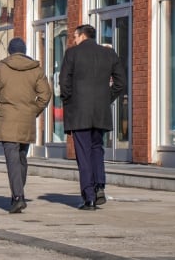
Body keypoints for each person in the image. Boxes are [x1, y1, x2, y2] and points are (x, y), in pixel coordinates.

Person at [0, 37, 52, 214]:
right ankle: (18, 194)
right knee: (21, 158)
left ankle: (18, 197)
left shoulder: (0, 67)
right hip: (26, 120)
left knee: (12, 159)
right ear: (25, 50)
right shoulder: (35, 69)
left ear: (10, 51)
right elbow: (46, 94)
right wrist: (34, 110)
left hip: (8, 119)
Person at [60, 24, 126, 210]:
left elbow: (64, 83)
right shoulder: (109, 54)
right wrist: (107, 97)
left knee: (83, 153)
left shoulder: (72, 54)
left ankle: (89, 196)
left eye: (74, 36)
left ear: (82, 36)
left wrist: (70, 100)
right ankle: (99, 187)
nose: (73, 40)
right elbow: (121, 83)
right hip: (100, 111)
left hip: (79, 112)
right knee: (97, 149)